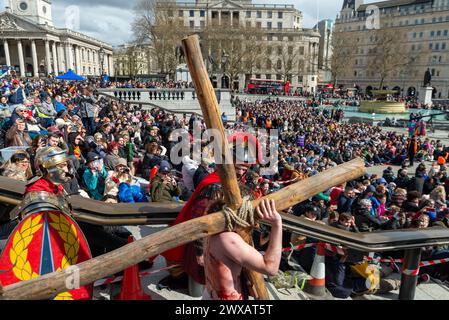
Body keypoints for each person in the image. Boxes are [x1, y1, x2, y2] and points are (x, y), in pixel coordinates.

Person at [203, 199, 282, 300]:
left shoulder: (211, 230)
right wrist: (277, 224)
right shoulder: (228, 238)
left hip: (210, 294)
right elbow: (271, 268)